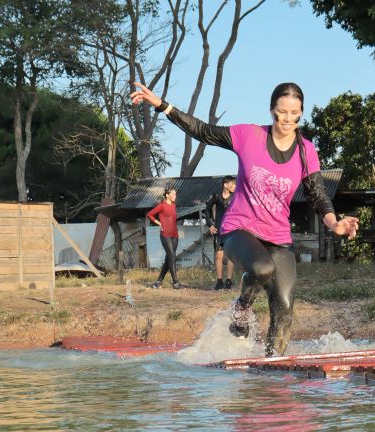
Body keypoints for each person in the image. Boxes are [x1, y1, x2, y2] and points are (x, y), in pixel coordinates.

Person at [130, 82, 358, 357]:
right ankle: (242, 307)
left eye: (293, 114)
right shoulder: (249, 136)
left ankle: (273, 365)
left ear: (300, 114)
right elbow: (203, 131)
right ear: (271, 110)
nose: (286, 119)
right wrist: (162, 105)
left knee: (284, 304)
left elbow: (318, 194)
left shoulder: (305, 150)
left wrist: (334, 223)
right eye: (281, 112)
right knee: (262, 269)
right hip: (239, 228)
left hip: (278, 236)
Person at [146, 188, 187, 289]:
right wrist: (159, 223)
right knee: (172, 257)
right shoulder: (162, 206)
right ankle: (176, 283)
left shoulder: (173, 206)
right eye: (172, 194)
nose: (174, 196)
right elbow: (149, 214)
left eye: (175, 194)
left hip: (175, 235)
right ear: (167, 195)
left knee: (169, 258)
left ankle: (158, 282)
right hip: (165, 235)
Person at [206, 175, 237, 290]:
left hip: (232, 230)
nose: (235, 186)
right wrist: (210, 224)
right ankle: (219, 282)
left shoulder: (236, 197)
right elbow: (206, 210)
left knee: (230, 256)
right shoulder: (216, 196)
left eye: (235, 184)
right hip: (219, 230)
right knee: (219, 255)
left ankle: (229, 281)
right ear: (225, 185)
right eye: (232, 184)